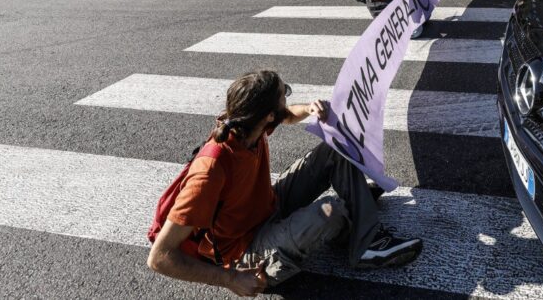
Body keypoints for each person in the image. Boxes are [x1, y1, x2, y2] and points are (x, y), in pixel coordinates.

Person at [147, 70, 422, 295]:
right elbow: (160, 257)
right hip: (246, 252)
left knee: (332, 150)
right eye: (284, 94)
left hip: (267, 207)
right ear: (268, 115)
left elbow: (288, 114)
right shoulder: (210, 171)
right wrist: (230, 279)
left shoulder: (247, 124)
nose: (286, 98)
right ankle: (359, 235)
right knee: (332, 211)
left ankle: (359, 214)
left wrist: (311, 109)